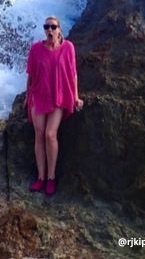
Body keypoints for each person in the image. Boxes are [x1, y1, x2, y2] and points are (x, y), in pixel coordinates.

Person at [25, 16, 83, 197]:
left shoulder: (68, 48)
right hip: (39, 96)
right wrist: (27, 96)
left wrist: (76, 96)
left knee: (50, 134)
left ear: (59, 29)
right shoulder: (35, 49)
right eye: (46, 27)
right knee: (39, 133)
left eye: (53, 27)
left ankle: (51, 178)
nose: (49, 30)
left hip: (59, 96)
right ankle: (40, 178)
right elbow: (30, 75)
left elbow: (73, 74)